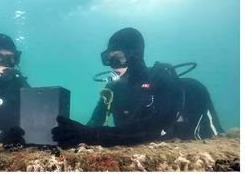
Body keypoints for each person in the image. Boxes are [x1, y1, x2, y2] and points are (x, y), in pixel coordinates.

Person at [54, 28, 222, 147]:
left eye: (117, 58)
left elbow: (157, 127)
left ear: (134, 55)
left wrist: (92, 135)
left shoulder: (163, 79)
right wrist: (71, 132)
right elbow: (93, 124)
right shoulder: (112, 90)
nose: (112, 66)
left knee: (193, 87)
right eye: (108, 59)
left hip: (190, 142)